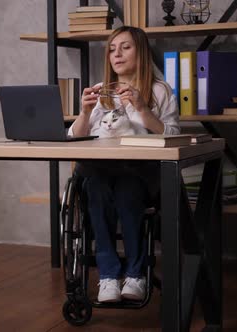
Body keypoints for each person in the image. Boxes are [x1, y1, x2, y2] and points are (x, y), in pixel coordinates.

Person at [68, 26, 180, 303]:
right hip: (102, 173)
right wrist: (83, 112)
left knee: (127, 190)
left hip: (141, 175)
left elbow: (175, 137)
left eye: (125, 47)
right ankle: (108, 277)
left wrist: (142, 109)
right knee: (95, 188)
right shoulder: (101, 93)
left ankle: (135, 275)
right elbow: (74, 137)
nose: (116, 54)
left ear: (141, 53)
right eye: (112, 49)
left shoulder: (159, 91)